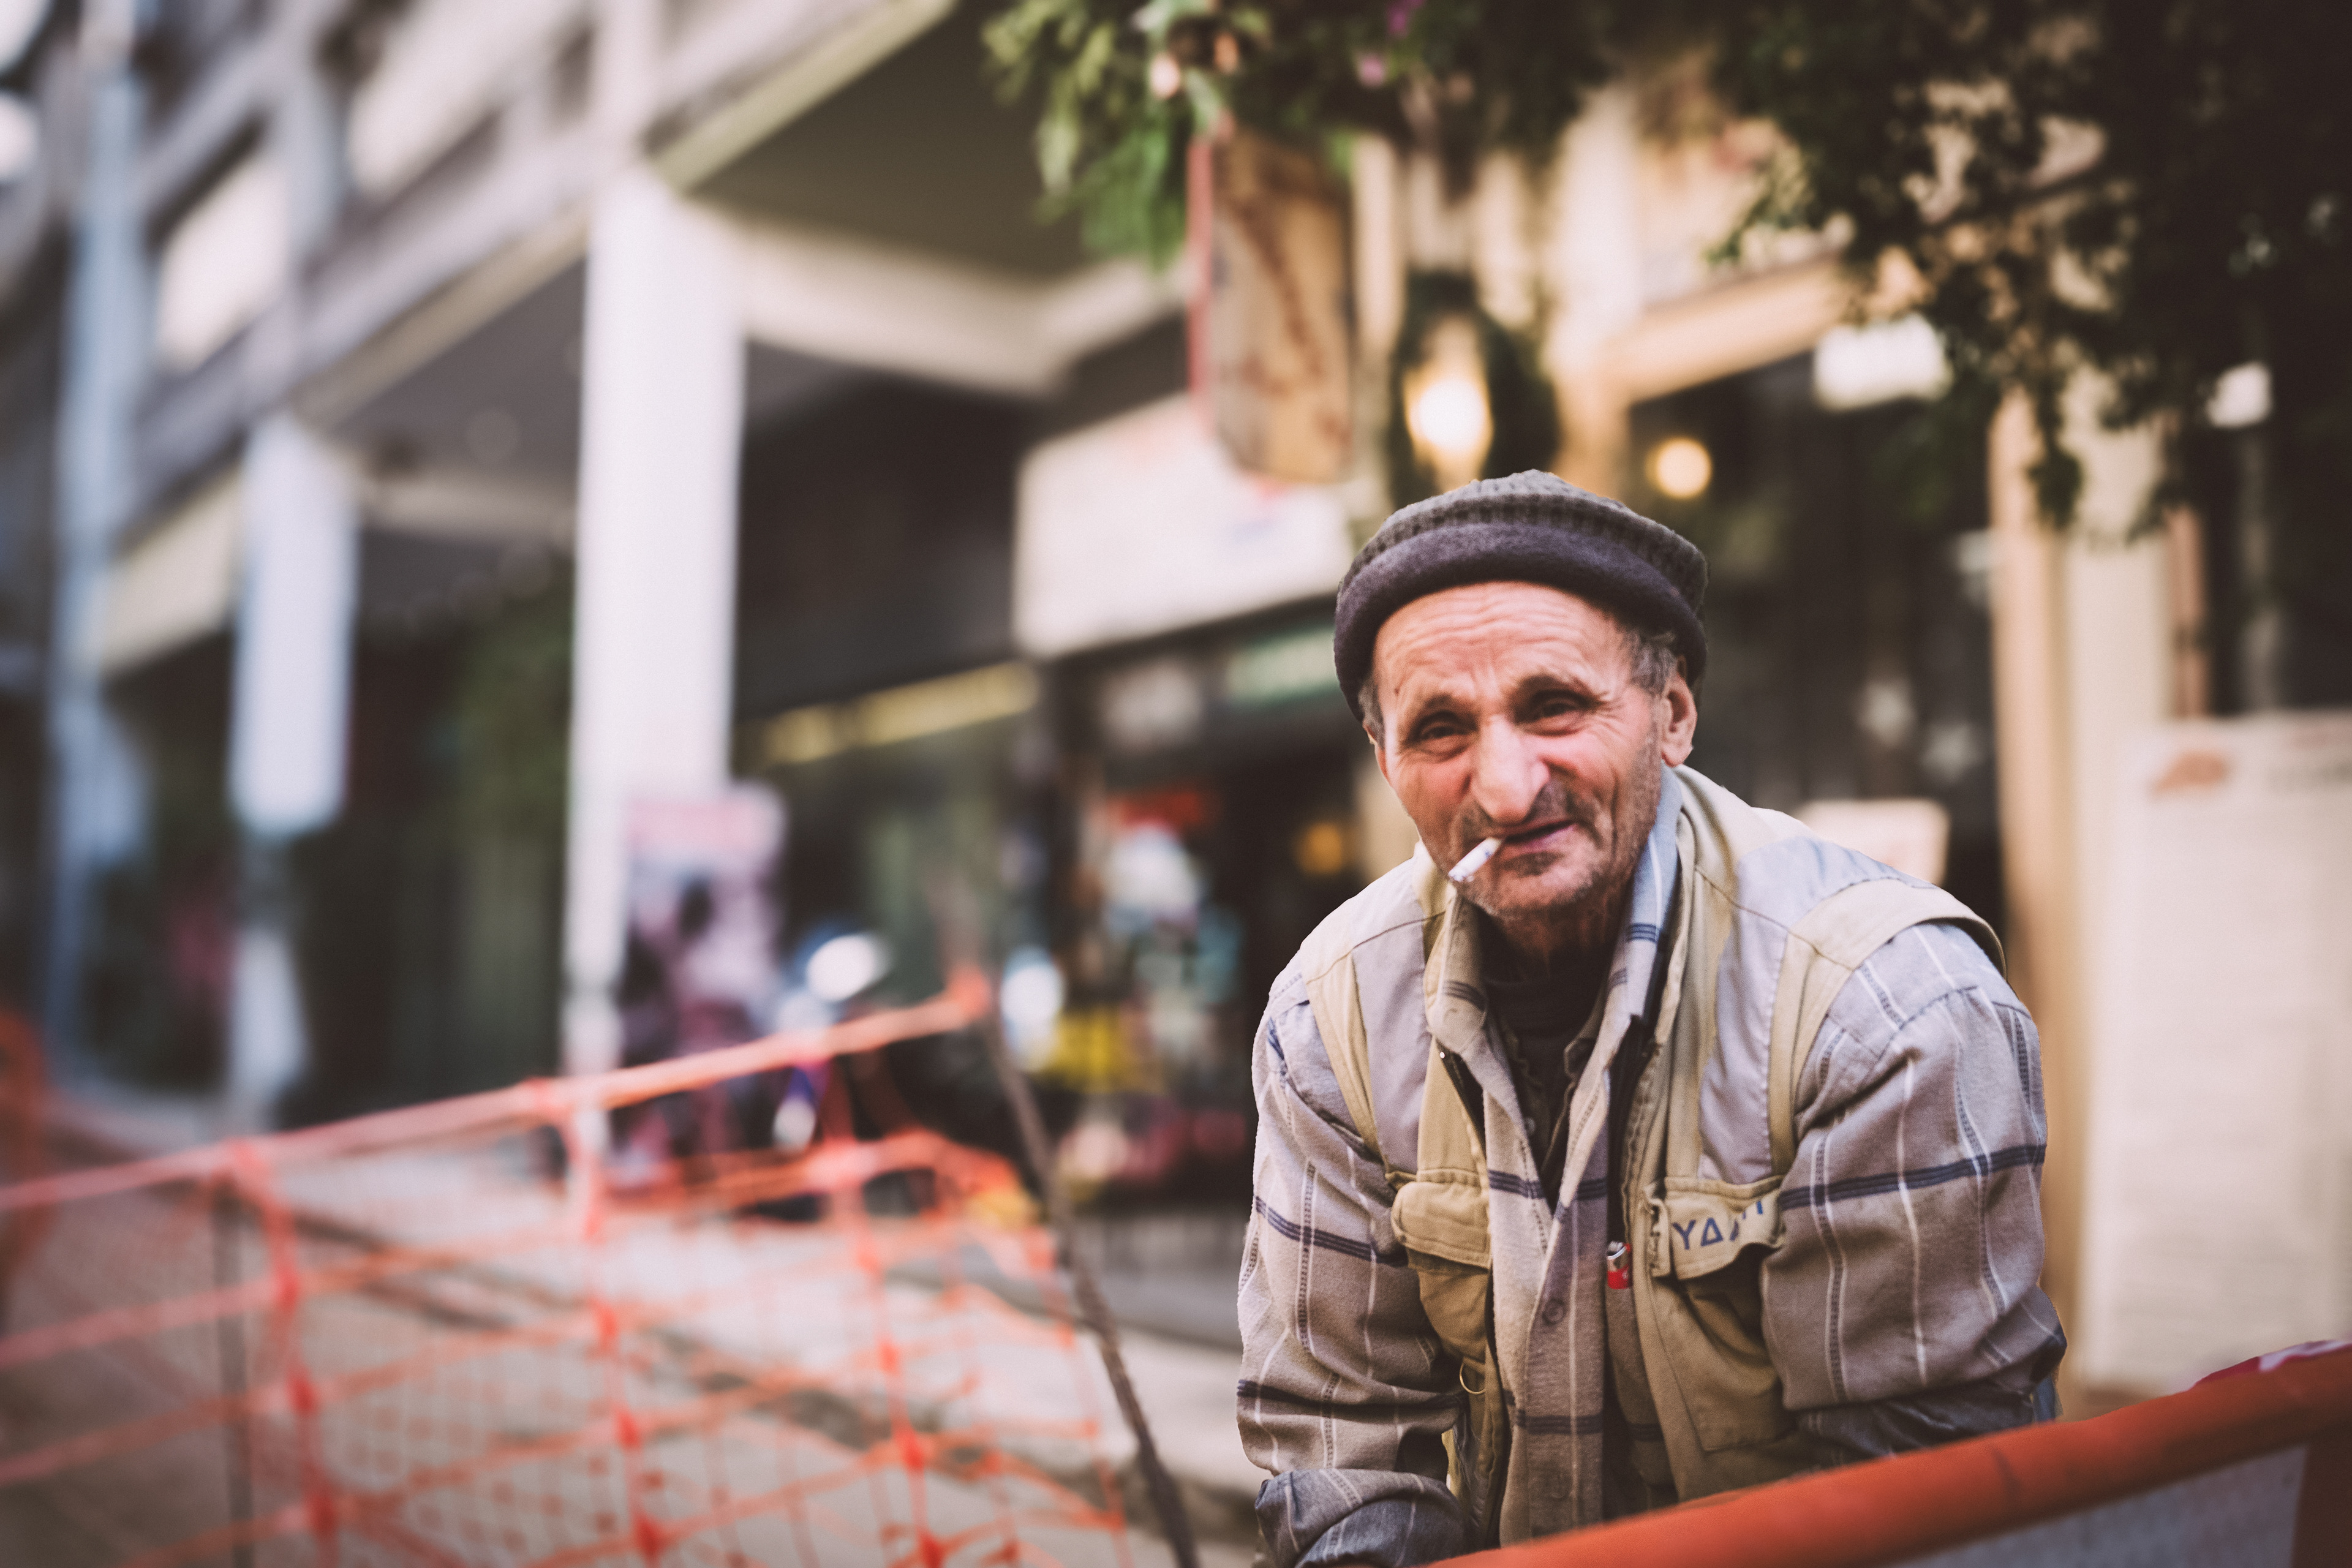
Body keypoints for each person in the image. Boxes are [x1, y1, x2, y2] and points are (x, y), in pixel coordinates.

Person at [1238, 473, 2064, 1566]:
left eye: (1554, 707)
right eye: (1440, 729)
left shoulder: (1882, 1005)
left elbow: (1920, 1506)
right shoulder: (1332, 1018)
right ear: (1386, 758)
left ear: (1672, 714)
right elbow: (1344, 1453)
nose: (1504, 788)